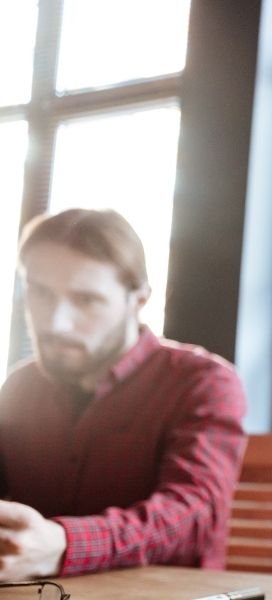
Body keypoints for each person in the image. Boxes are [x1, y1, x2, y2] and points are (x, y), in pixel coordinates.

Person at [0, 209, 247, 580]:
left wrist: (65, 545)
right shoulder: (20, 387)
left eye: (86, 300)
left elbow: (189, 517)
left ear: (139, 300)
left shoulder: (203, 383)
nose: (56, 322)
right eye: (41, 293)